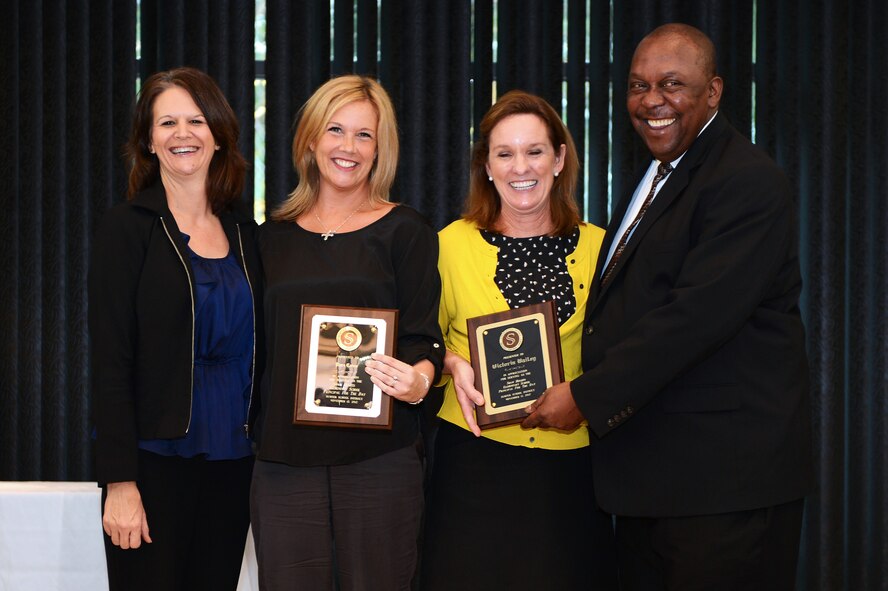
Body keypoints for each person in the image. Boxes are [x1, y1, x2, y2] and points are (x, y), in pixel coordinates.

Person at [523, 23, 813, 590]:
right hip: (655, 482)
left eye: (672, 84)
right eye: (637, 85)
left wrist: (584, 396)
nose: (652, 100)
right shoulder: (659, 174)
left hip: (721, 488)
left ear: (714, 91)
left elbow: (695, 317)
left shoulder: (746, 181)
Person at [250, 75, 444, 590]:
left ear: (381, 150)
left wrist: (419, 381)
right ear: (311, 139)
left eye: (365, 135)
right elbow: (257, 351)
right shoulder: (269, 238)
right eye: (336, 130)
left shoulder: (407, 231)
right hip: (283, 462)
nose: (349, 147)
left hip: (379, 459)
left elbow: (423, 337)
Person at [421, 90, 618, 590]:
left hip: (571, 467)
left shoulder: (604, 249)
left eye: (534, 151)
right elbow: (419, 338)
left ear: (559, 158)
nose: (519, 167)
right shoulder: (447, 245)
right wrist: (450, 364)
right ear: (486, 166)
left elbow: (627, 352)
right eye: (504, 153)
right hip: (473, 460)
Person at [88, 67, 261, 590]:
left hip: (236, 457)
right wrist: (119, 481)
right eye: (167, 122)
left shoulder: (246, 233)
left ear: (218, 135)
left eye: (196, 120)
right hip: (152, 461)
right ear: (148, 139)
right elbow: (110, 361)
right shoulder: (126, 228)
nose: (183, 133)